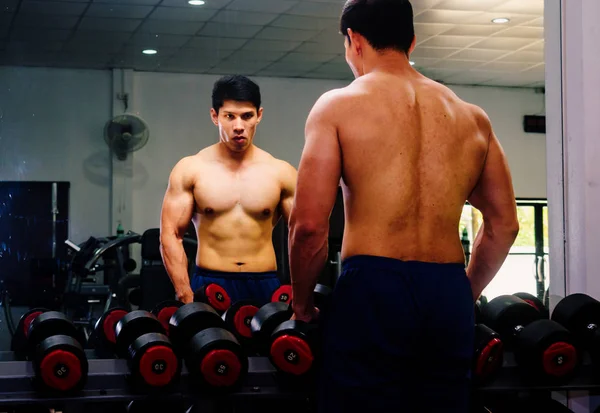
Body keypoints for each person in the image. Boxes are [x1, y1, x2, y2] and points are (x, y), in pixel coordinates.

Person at [288, 0, 519, 412]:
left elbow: (308, 227)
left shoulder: (337, 106)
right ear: (411, 41)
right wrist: (464, 292)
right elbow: (505, 226)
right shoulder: (472, 118)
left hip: (372, 286)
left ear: (353, 41)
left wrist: (303, 306)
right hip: (446, 288)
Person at [160, 75, 297, 305]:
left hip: (265, 284)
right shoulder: (191, 169)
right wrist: (185, 293)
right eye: (229, 116)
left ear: (259, 115)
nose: (239, 127)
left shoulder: (280, 172)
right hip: (210, 283)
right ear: (215, 116)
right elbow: (170, 235)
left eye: (247, 116)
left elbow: (304, 235)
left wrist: (299, 294)